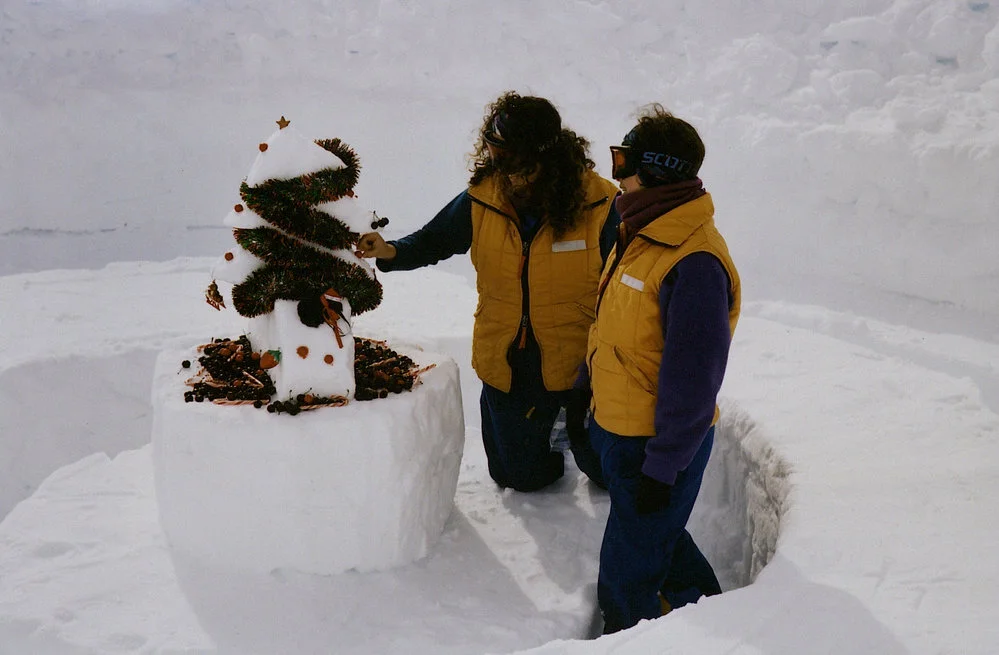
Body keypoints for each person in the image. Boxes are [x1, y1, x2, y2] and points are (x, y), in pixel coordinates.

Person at [356, 92, 621, 492]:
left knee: (608, 474)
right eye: (499, 162)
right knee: (517, 478)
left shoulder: (600, 204)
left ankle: (573, 433)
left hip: (583, 361)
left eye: (519, 166)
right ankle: (546, 439)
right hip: (510, 354)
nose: (510, 178)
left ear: (549, 158)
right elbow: (434, 239)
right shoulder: (483, 198)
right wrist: (391, 251)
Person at [582, 105, 741, 633]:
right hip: (625, 430)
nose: (615, 172)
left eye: (622, 159)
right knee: (657, 537)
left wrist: (662, 466)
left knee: (626, 577)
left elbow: (694, 380)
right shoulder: (642, 228)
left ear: (657, 169)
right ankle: (710, 618)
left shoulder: (692, 261)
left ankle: (633, 638)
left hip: (653, 445)